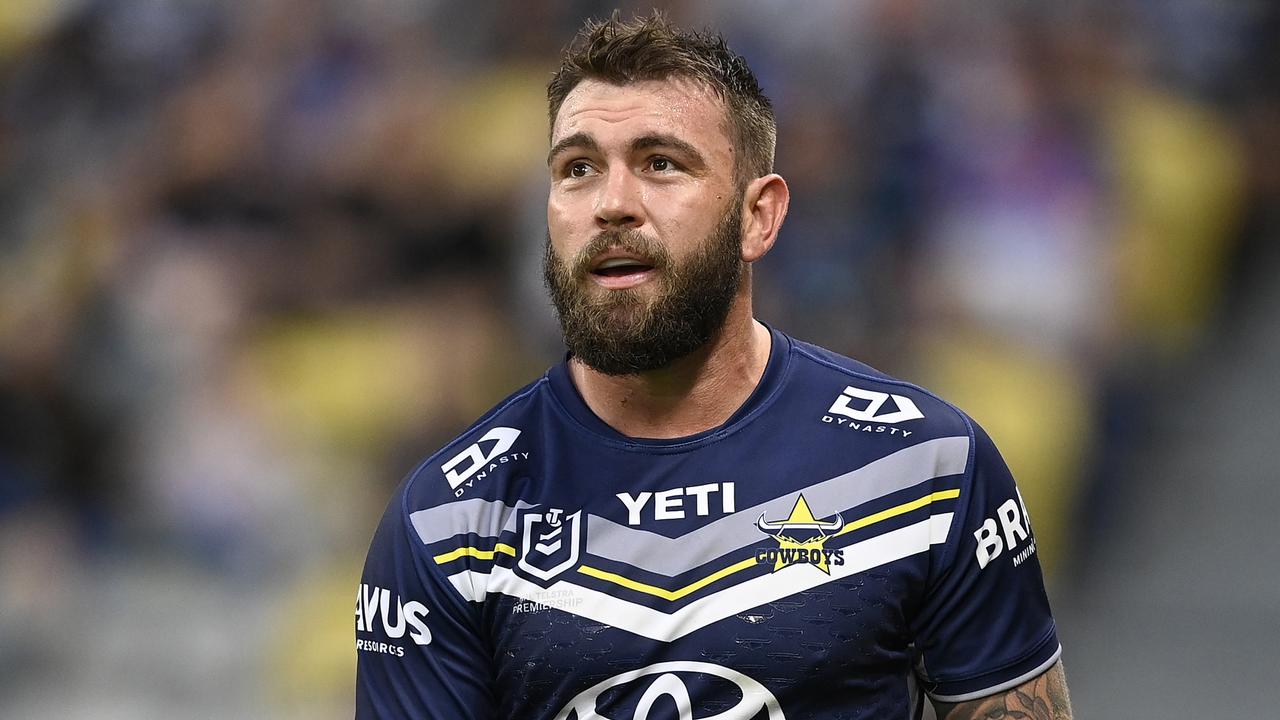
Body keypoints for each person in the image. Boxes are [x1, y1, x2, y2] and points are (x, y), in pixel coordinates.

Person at [355, 12, 1072, 720]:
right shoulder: (446, 521)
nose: (611, 204)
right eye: (577, 169)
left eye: (661, 163)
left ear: (758, 216)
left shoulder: (925, 468)